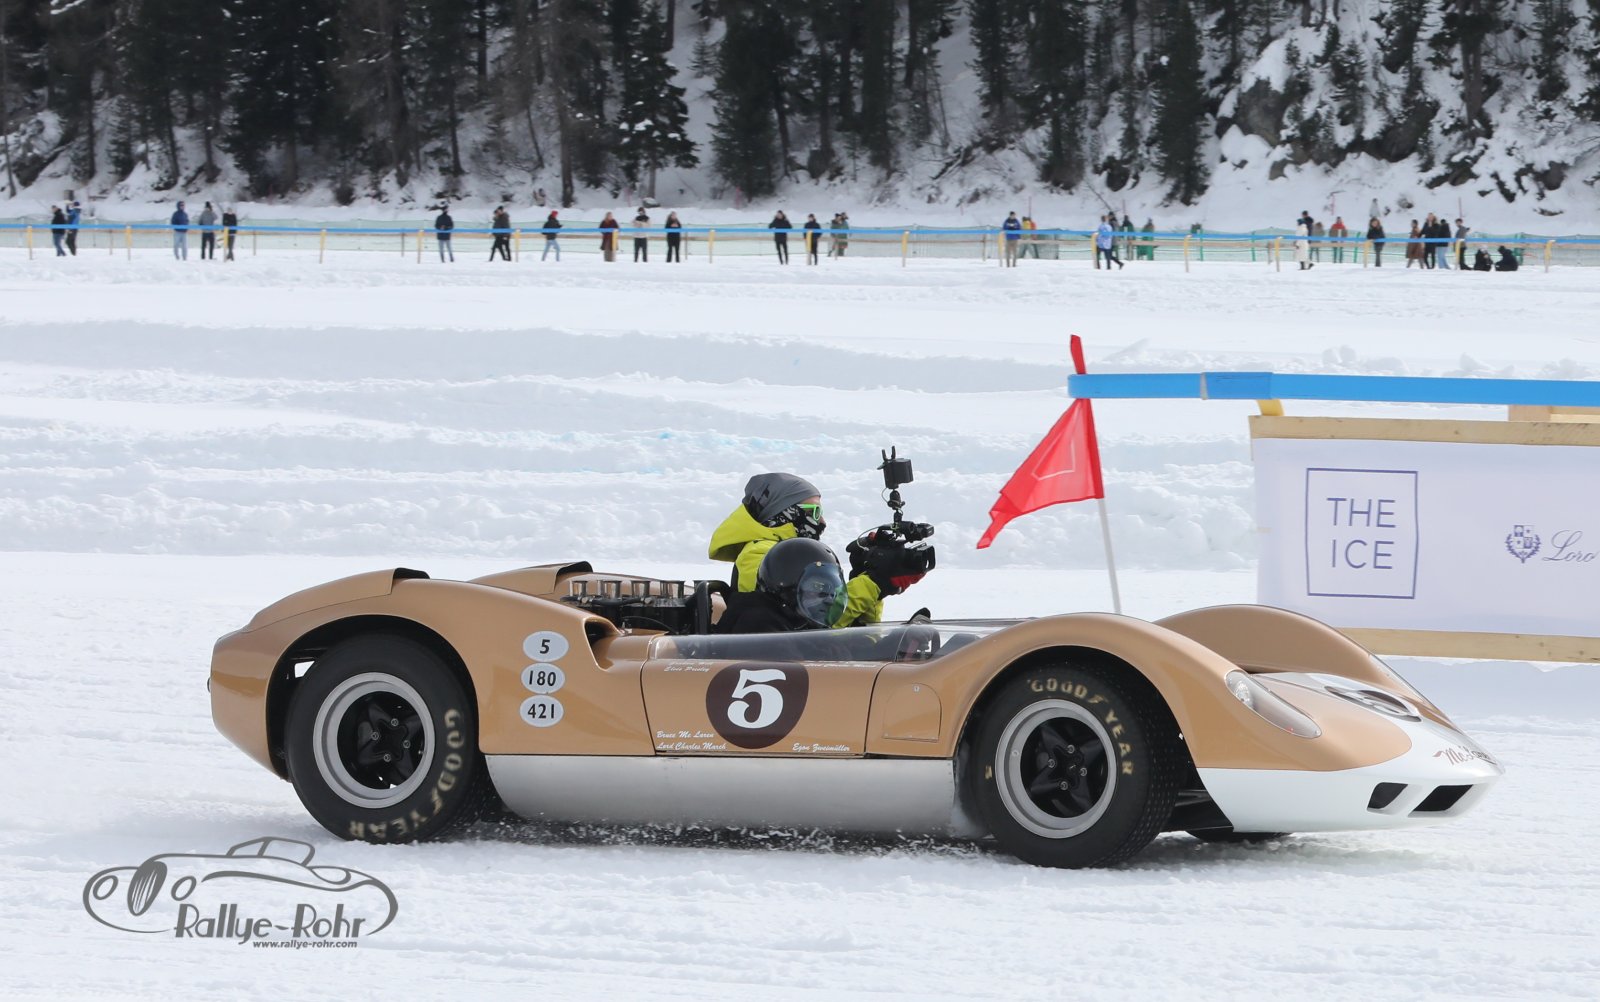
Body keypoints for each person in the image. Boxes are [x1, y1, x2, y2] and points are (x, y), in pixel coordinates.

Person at [708, 472, 929, 633]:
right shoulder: (757, 554)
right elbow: (812, 615)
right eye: (814, 512)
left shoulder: (793, 554)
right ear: (784, 513)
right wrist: (874, 583)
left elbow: (830, 629)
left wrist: (869, 577)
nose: (822, 522)